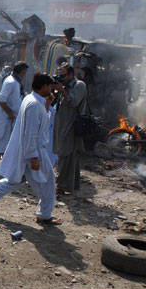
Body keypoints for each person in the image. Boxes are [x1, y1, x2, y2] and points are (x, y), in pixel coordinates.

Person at [0, 74, 61, 225]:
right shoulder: (34, 104)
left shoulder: (33, 101)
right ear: (44, 87)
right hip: (34, 151)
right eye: (50, 87)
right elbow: (31, 133)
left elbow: (40, 125)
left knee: (15, 180)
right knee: (48, 181)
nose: (51, 90)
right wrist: (33, 157)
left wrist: (47, 106)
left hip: (30, 151)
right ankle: (45, 214)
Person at [53, 63, 86, 194]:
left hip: (72, 125)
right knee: (68, 155)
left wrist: (61, 90)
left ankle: (62, 186)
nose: (62, 78)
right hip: (62, 124)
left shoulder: (79, 85)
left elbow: (73, 102)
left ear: (71, 74)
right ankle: (71, 184)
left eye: (63, 76)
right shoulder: (65, 86)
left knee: (65, 154)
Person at [0, 61, 28, 170]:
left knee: (7, 142)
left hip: (11, 117)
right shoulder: (11, 82)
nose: (25, 74)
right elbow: (1, 99)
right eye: (25, 72)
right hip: (6, 117)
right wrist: (10, 114)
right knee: (3, 142)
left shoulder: (15, 81)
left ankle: (4, 165)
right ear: (22, 72)